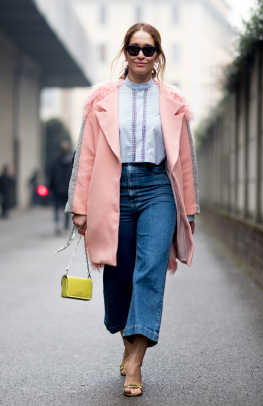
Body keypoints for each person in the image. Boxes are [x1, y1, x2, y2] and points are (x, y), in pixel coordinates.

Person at [65, 22, 200, 397]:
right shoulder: (102, 100)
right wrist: (79, 207)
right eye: (134, 48)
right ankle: (128, 342)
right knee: (119, 273)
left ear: (158, 57)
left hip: (158, 188)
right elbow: (87, 155)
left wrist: (188, 207)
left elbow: (185, 159)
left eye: (148, 49)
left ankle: (136, 361)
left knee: (149, 271)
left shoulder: (173, 102)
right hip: (113, 189)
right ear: (124, 52)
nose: (141, 55)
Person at [49, 140, 73, 235]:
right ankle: (66, 227)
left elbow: (52, 175)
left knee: (57, 208)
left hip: (57, 189)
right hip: (67, 189)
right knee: (66, 209)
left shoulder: (56, 161)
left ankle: (58, 225)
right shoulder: (71, 162)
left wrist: (50, 187)